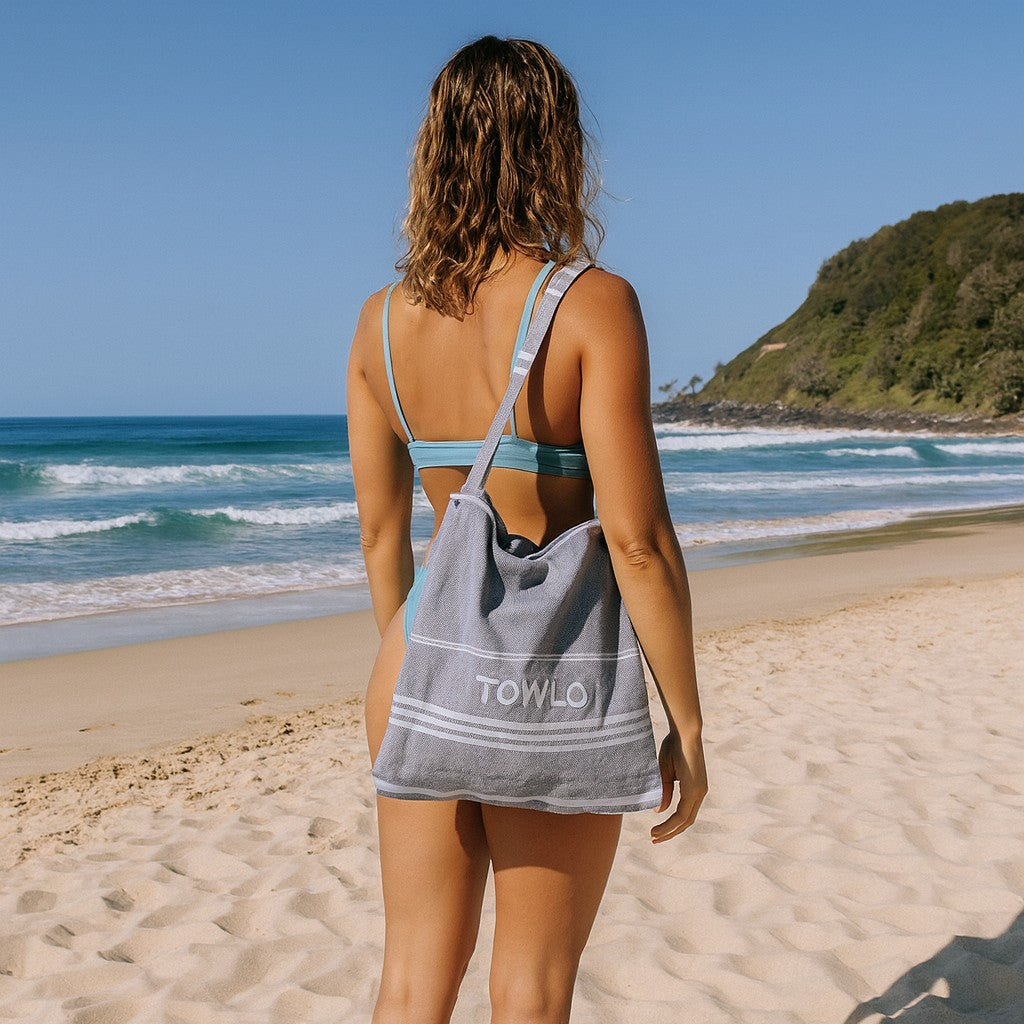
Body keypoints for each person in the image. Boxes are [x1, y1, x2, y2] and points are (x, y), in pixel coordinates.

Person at [346, 35, 707, 1024]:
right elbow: (637, 542)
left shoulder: (380, 322)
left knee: (411, 977)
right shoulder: (592, 304)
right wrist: (686, 720)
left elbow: (381, 539)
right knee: (531, 984)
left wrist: (428, 661)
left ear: (434, 151)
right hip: (546, 671)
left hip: (418, 656)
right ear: (558, 147)